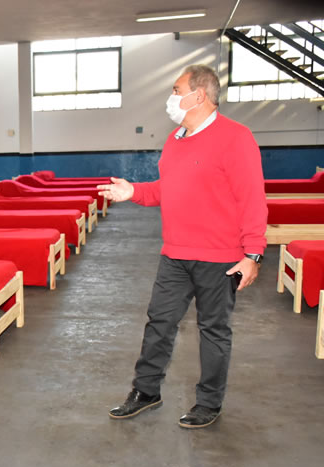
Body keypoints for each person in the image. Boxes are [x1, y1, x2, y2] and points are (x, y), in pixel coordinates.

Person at [99, 65, 267, 428]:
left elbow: (252, 198)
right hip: (175, 254)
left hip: (220, 258)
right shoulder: (176, 138)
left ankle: (208, 402)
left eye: (177, 90)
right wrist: (134, 191)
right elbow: (167, 188)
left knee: (213, 330)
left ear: (199, 95)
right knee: (159, 323)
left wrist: (253, 253)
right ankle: (146, 391)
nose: (171, 97)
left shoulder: (236, 137)